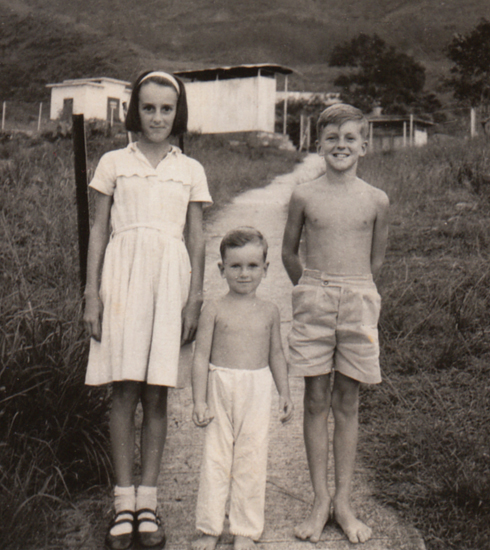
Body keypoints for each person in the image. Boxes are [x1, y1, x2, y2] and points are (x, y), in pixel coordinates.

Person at [83, 70, 212, 550]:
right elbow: (99, 229)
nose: (157, 117)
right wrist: (91, 293)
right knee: (123, 390)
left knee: (157, 393)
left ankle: (148, 503)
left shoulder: (190, 168)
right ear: (133, 111)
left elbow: (196, 237)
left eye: (167, 108)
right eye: (149, 107)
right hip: (121, 279)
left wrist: (195, 296)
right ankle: (123, 504)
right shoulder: (114, 161)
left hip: (169, 282)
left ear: (178, 114)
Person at [281, 104, 389, 544]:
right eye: (332, 138)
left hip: (358, 298)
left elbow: (376, 261)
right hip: (315, 299)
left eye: (350, 138)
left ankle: (344, 501)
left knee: (348, 401)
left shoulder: (376, 199)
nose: (341, 145)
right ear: (319, 144)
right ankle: (319, 498)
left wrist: (355, 293)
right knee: (314, 399)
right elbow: (289, 252)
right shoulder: (304, 195)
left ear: (365, 145)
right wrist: (309, 291)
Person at [191, 227, 294, 550]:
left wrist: (285, 393)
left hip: (257, 387)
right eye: (235, 266)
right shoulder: (215, 310)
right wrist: (199, 400)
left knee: (251, 456)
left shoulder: (269, 311)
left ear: (266, 269)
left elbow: (276, 354)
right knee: (217, 458)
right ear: (221, 270)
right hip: (221, 385)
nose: (244, 274)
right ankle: (209, 526)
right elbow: (201, 357)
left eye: (252, 266)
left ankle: (245, 529)